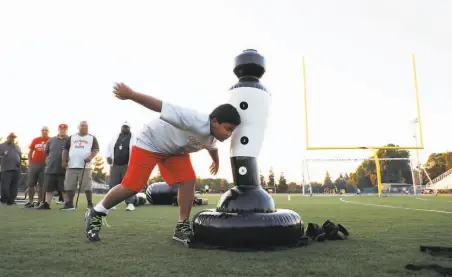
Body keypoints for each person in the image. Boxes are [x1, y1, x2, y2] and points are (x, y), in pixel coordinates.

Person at [84, 82, 241, 245]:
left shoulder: (212, 136)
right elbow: (161, 106)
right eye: (228, 129)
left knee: (188, 180)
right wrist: (131, 94)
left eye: (232, 131)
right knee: (132, 187)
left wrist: (216, 162)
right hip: (150, 142)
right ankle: (96, 212)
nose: (229, 134)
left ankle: (181, 227)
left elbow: (212, 148)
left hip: (173, 151)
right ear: (214, 121)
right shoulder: (193, 119)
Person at [60, 121, 99, 211]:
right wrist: (63, 161)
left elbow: (95, 150)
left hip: (85, 166)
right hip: (71, 165)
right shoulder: (72, 137)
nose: (84, 127)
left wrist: (90, 157)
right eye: (82, 126)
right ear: (78, 127)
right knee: (69, 185)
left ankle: (90, 204)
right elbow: (65, 150)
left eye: (86, 126)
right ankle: (69, 203)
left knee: (87, 186)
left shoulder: (92, 138)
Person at [105, 121, 138, 211]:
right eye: (123, 127)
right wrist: (108, 156)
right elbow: (109, 147)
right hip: (115, 165)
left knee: (129, 184)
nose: (125, 128)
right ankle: (112, 204)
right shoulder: (115, 137)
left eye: (127, 127)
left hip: (128, 164)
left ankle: (130, 203)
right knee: (113, 184)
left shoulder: (134, 138)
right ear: (121, 127)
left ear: (129, 128)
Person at [36, 124, 69, 210]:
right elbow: (46, 152)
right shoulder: (51, 140)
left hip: (63, 168)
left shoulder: (69, 140)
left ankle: (67, 204)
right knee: (49, 188)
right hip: (50, 168)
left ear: (66, 130)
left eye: (64, 129)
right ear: (58, 129)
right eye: (61, 129)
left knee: (64, 188)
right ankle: (47, 204)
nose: (62, 130)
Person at [24, 126, 50, 208]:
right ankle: (30, 201)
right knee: (31, 183)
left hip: (45, 165)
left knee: (42, 185)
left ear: (48, 132)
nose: (44, 131)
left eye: (46, 130)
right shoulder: (36, 140)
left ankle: (39, 202)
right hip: (34, 164)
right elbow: (30, 151)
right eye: (43, 130)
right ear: (41, 131)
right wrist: (30, 161)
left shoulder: (51, 140)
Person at [0, 133, 22, 205]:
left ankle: (11, 200)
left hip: (16, 169)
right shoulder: (2, 146)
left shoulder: (17, 147)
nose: (12, 139)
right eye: (11, 137)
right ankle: (4, 200)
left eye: (13, 137)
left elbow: (20, 156)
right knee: (5, 186)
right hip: (6, 168)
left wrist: (20, 165)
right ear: (7, 137)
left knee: (14, 186)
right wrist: (3, 154)